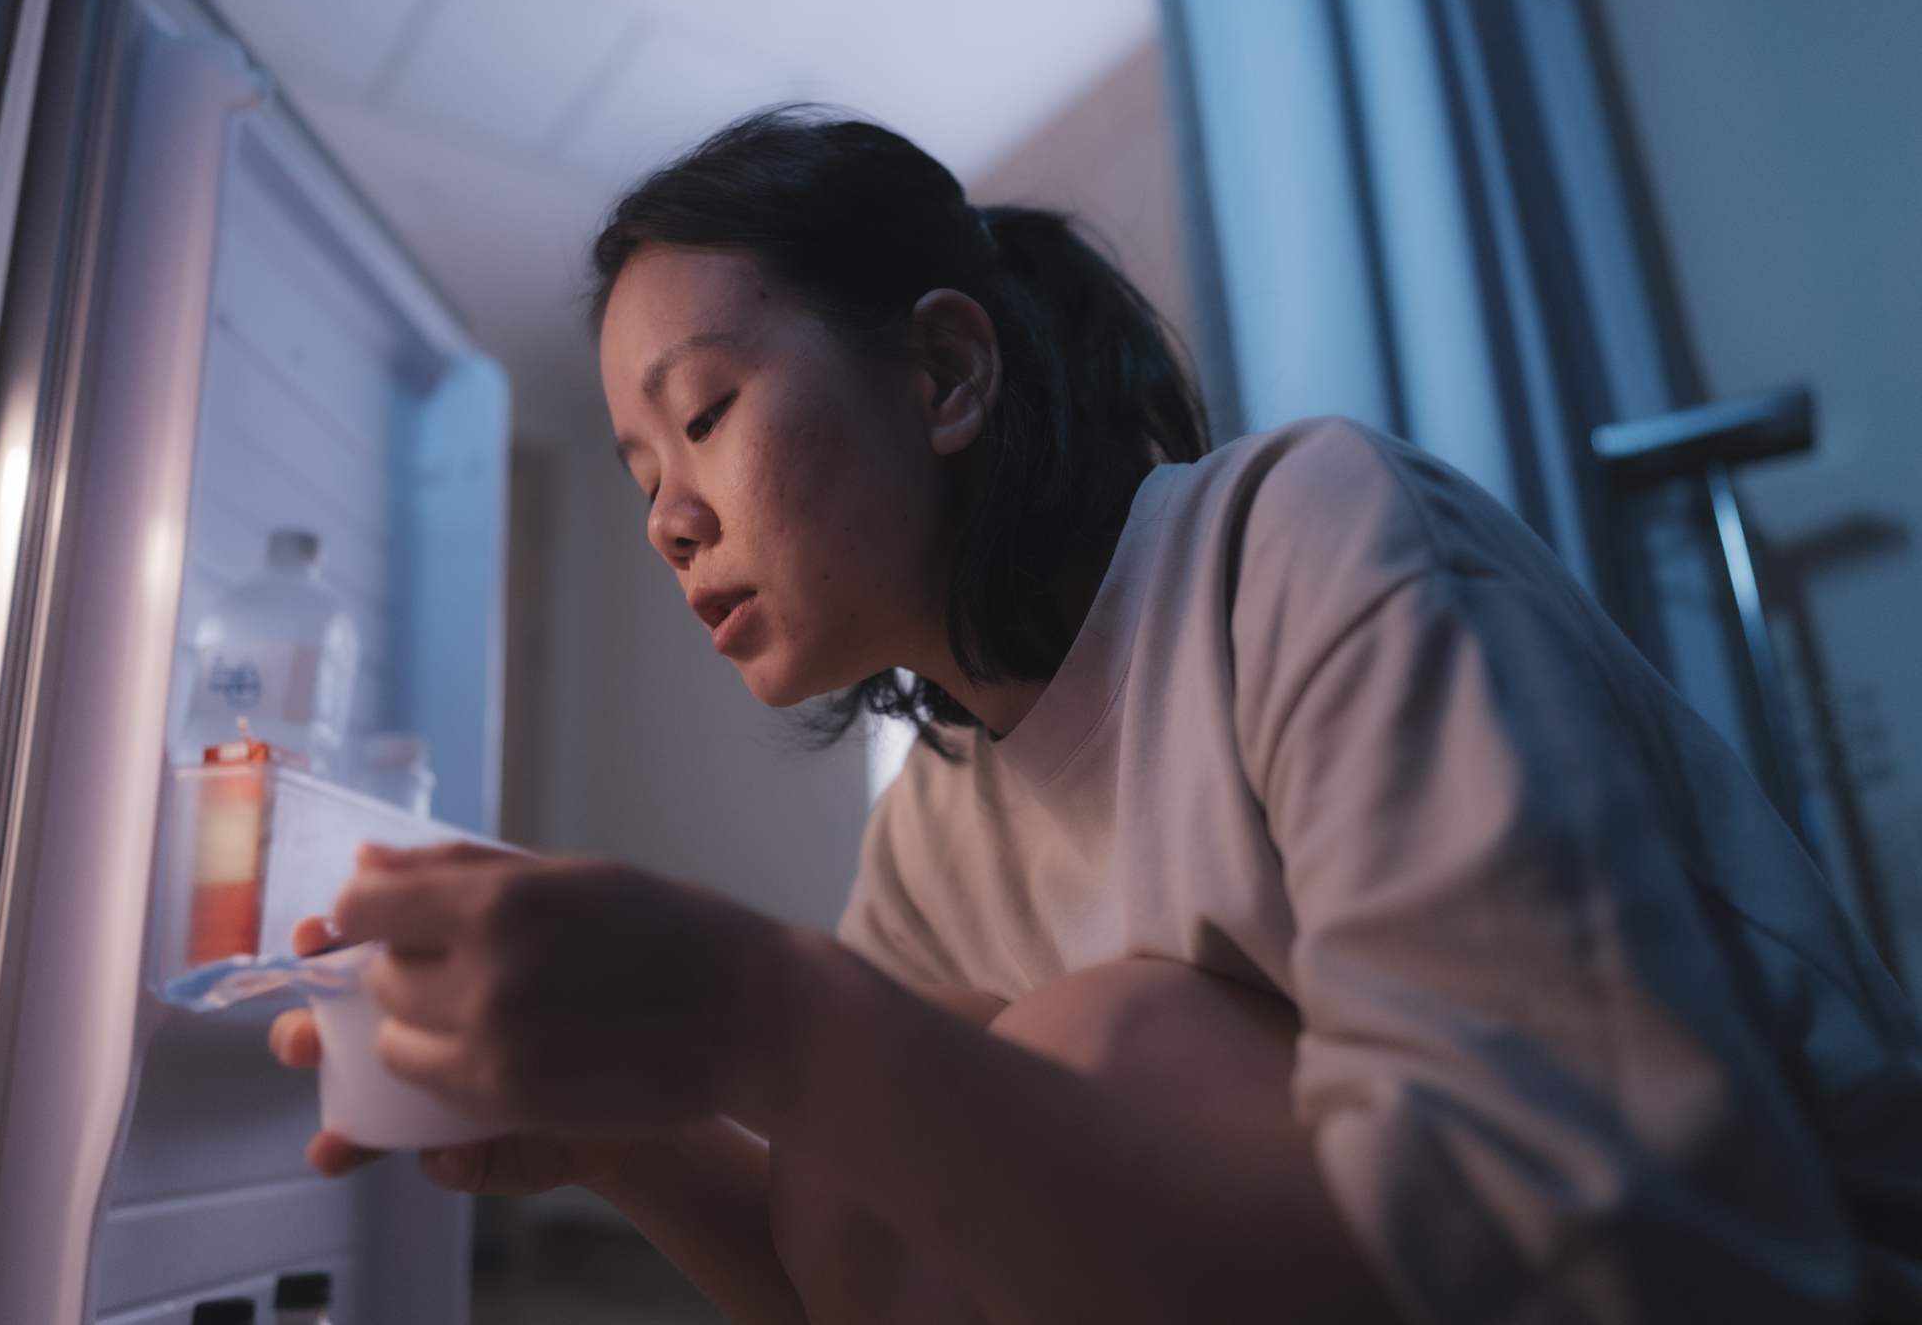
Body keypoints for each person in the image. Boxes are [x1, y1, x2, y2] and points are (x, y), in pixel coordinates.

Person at [268, 109, 1922, 1324]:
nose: (668, 520)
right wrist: (624, 1135)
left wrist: (771, 1010)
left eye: (704, 415)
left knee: (1085, 1043)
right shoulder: (938, 827)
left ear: (944, 376)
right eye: (639, 479)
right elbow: (862, 1274)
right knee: (894, 1129)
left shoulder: (1303, 536)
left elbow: (1598, 1243)